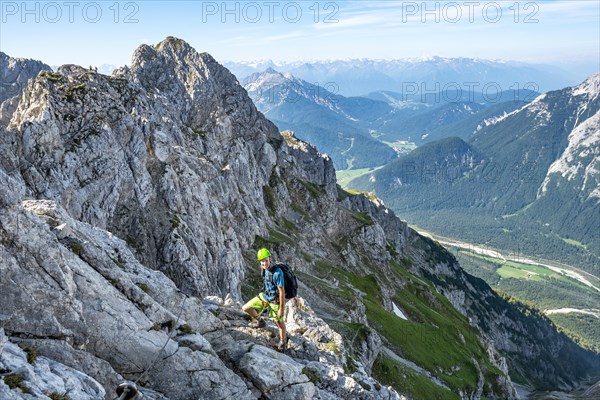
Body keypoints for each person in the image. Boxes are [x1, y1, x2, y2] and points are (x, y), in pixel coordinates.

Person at [242, 248, 287, 351]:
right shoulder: (264, 268)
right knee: (246, 308)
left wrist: (281, 309)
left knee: (279, 322)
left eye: (266, 260)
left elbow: (282, 292)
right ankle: (260, 321)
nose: (264, 263)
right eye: (262, 261)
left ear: (270, 259)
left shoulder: (278, 273)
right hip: (265, 296)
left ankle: (282, 342)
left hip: (275, 300)